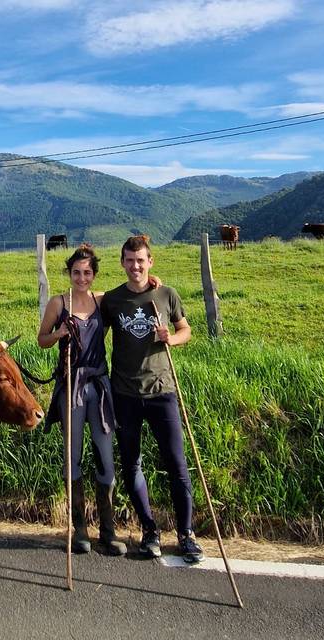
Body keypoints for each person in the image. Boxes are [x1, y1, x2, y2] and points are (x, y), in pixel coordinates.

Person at [100, 235, 204, 563]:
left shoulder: (166, 295)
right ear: (122, 263)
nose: (135, 266)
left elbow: (186, 330)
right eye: (129, 261)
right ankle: (150, 531)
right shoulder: (113, 300)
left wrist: (171, 339)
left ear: (150, 261)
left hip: (163, 392)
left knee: (176, 463)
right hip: (125, 394)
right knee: (132, 464)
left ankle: (186, 535)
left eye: (141, 260)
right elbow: (92, 318)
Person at [38, 244, 127, 556]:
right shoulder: (58, 303)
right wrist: (59, 332)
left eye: (87, 272)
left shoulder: (103, 301)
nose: (81, 277)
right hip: (71, 384)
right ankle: (79, 530)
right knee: (72, 456)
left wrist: (152, 281)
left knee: (105, 454)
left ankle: (109, 529)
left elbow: (131, 293)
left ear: (94, 274)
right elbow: (41, 339)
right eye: (76, 272)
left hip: (100, 386)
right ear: (69, 273)